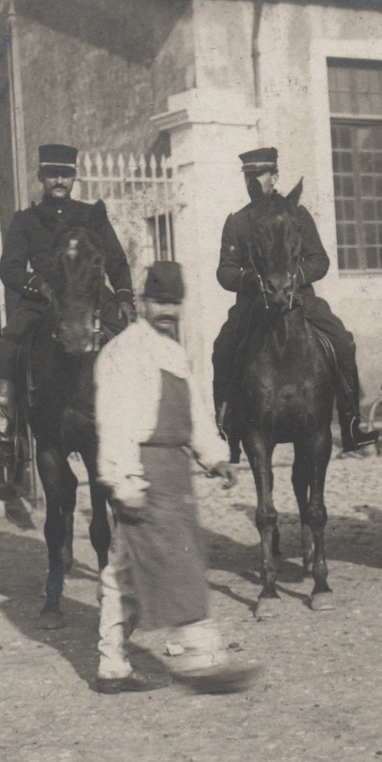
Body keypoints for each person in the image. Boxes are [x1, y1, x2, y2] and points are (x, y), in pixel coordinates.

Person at [94, 260, 259, 695]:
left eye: (174, 303)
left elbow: (196, 414)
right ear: (143, 303)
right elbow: (114, 423)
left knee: (124, 570)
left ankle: (111, 665)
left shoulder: (173, 352)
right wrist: (124, 482)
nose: (167, 311)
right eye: (159, 302)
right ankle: (200, 658)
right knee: (177, 560)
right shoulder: (123, 353)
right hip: (143, 469)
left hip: (176, 471)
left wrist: (215, 456)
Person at [0, 143, 135, 471]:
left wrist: (125, 296)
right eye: (52, 174)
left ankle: (136, 426)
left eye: (65, 174)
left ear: (74, 177)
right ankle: (3, 439)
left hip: (91, 299)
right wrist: (40, 286)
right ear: (40, 176)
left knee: (128, 343)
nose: (59, 180)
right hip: (43, 300)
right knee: (7, 347)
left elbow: (117, 261)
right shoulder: (25, 220)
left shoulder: (92, 216)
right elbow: (10, 269)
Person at [211, 147, 379, 453]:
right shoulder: (237, 222)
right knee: (222, 346)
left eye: (258, 175)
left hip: (299, 300)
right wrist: (253, 280)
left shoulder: (297, 215)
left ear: (274, 177)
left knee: (343, 340)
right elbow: (225, 272)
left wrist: (293, 279)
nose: (252, 182)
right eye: (248, 176)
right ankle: (227, 424)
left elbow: (320, 260)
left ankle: (352, 422)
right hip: (253, 305)